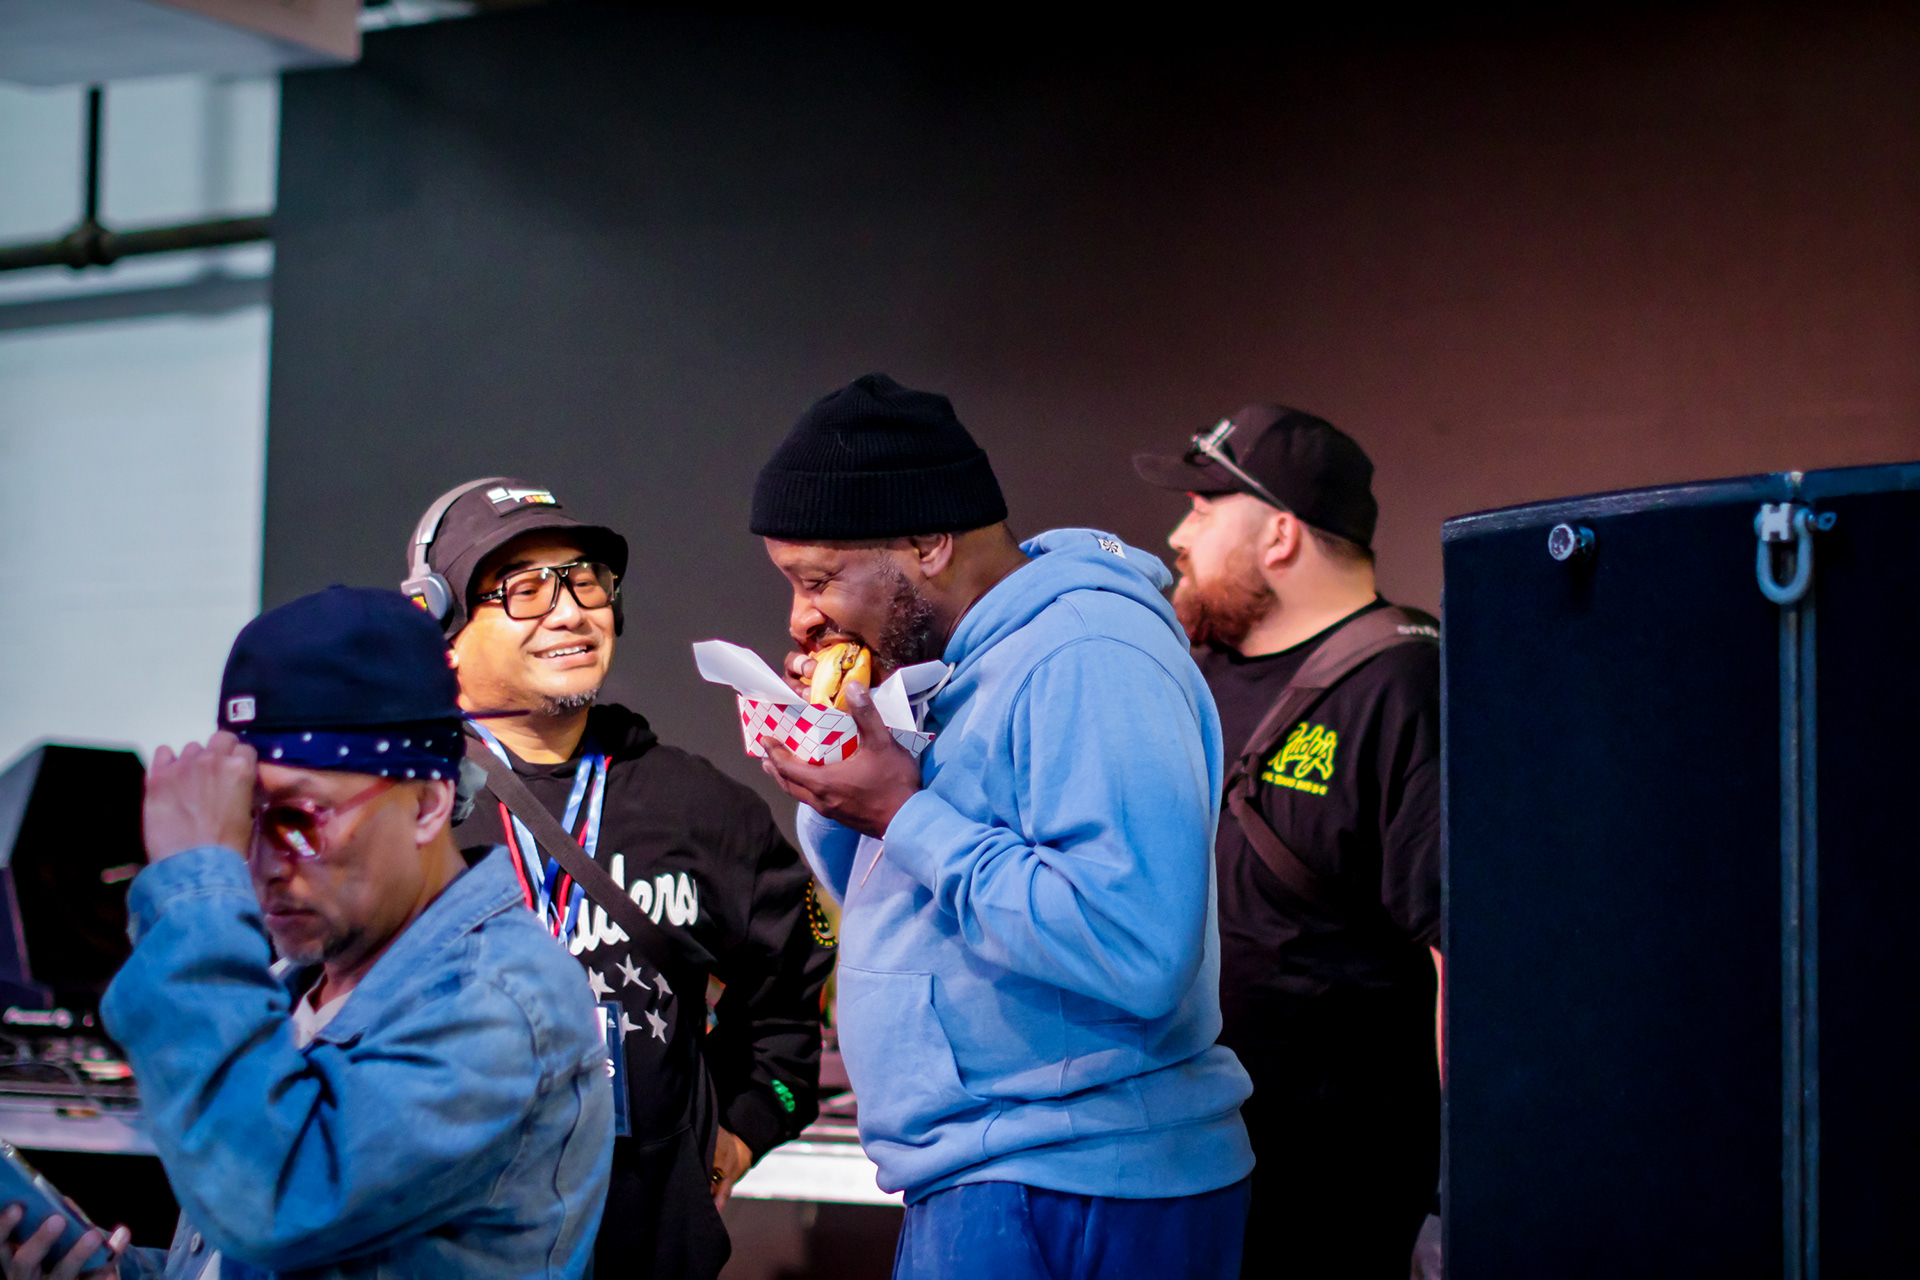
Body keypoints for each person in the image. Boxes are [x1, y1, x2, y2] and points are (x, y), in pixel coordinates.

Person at [750, 373, 1254, 1280]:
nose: (800, 617)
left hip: (1079, 1182)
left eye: (817, 580)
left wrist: (904, 810)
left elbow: (1134, 947)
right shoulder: (950, 671)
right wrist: (846, 765)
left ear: (928, 543)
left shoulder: (1090, 653)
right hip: (998, 1173)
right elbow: (891, 899)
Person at [4, 586, 613, 1279]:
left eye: (297, 818)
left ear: (426, 804)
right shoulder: (295, 984)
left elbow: (271, 1202)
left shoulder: (497, 1004)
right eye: (242, 821)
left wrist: (195, 889)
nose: (259, 866)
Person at [401, 479, 831, 1280]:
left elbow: (788, 1001)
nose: (569, 611)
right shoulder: (397, 807)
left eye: (584, 581)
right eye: (524, 589)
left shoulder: (701, 806)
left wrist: (743, 1128)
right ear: (441, 625)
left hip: (648, 1252)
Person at [1133, 405, 1442, 1279]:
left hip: (1330, 1189)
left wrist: (1465, 1182)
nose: (1177, 536)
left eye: (1203, 509)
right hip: (1180, 1161)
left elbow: (1469, 959)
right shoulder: (1191, 674)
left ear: (1279, 534)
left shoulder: (1406, 683)